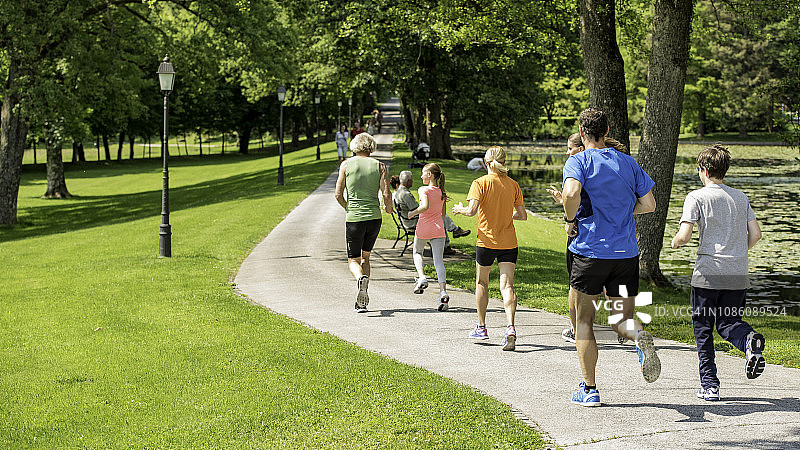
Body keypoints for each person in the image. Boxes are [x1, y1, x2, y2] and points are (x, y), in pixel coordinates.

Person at [561, 107, 658, 407]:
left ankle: (589, 389)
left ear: (581, 132)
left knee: (584, 320)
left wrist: (570, 219)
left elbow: (571, 193)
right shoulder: (628, 162)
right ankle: (639, 337)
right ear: (606, 131)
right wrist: (622, 212)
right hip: (625, 255)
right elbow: (649, 204)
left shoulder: (578, 161)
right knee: (621, 319)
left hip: (590, 253)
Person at [671, 144, 765, 401]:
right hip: (737, 273)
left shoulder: (696, 197)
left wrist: (675, 242)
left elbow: (685, 236)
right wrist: (737, 252)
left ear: (703, 169)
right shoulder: (740, 197)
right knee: (729, 323)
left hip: (708, 274)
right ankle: (749, 341)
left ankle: (710, 385)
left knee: (703, 330)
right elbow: (756, 234)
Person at [547, 133, 629, 345]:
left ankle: (576, 330)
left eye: (570, 148)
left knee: (575, 287)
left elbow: (575, 199)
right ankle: (622, 327)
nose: (568, 153)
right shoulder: (608, 167)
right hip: (613, 238)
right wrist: (563, 201)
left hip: (583, 237)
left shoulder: (579, 167)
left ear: (582, 147)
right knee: (610, 286)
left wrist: (568, 218)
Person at [452, 146, 527, 351]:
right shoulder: (513, 185)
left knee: (482, 282)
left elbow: (471, 211)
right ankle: (510, 328)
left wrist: (459, 209)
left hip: (486, 242)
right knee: (507, 286)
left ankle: (481, 327)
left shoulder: (480, 183)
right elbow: (522, 215)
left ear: (485, 162)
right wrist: (506, 214)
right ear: (504, 162)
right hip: (509, 243)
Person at [334, 133, 392, 312]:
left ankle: (360, 279)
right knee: (366, 257)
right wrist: (389, 208)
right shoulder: (380, 166)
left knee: (353, 259)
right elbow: (386, 193)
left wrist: (348, 207)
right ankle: (362, 302)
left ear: (355, 146)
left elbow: (338, 194)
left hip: (355, 219)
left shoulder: (346, 165)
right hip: (374, 218)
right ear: (371, 147)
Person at [407, 163, 451, 311]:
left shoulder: (423, 189)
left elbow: (424, 206)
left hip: (424, 227)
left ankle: (422, 278)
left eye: (423, 173)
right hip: (438, 229)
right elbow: (443, 214)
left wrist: (412, 213)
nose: (421, 176)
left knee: (417, 252)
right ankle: (443, 292)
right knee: (438, 261)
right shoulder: (442, 192)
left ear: (430, 175)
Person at [393, 170, 471, 253]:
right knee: (439, 217)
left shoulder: (398, 192)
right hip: (412, 221)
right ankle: (449, 238)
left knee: (438, 216)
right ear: (408, 181)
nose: (412, 181)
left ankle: (452, 235)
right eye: (411, 179)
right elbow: (417, 208)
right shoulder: (406, 194)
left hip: (405, 220)